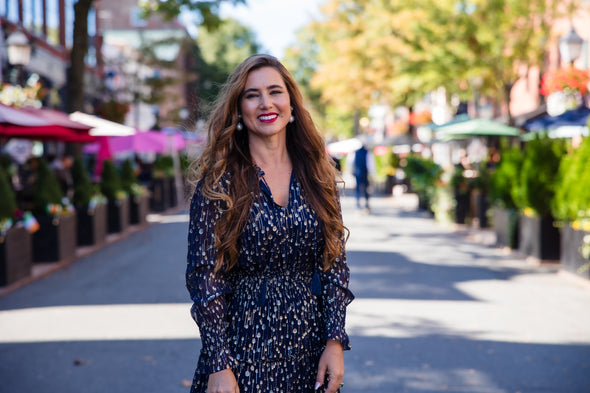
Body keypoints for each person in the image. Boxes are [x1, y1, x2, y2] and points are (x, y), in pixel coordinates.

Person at [186, 54, 354, 393]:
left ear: (290, 102)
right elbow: (205, 278)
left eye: (275, 91)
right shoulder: (219, 183)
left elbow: (334, 264)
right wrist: (219, 364)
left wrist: (334, 341)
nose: (266, 103)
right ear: (239, 109)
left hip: (309, 349)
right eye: (252, 95)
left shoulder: (318, 175)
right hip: (241, 352)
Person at [347, 143, 375, 211]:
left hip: (357, 172)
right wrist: (372, 175)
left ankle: (358, 204)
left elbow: (350, 162)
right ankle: (366, 204)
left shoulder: (354, 153)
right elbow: (370, 165)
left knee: (358, 189)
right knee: (366, 188)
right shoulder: (368, 153)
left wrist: (350, 171)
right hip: (365, 173)